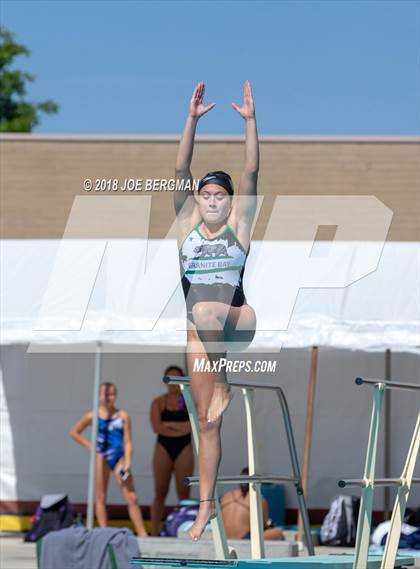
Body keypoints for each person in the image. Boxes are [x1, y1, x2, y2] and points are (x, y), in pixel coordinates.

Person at [174, 80, 258, 540]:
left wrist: (250, 122)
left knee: (206, 310)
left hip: (235, 320)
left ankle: (224, 382)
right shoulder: (186, 225)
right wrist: (191, 119)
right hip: (200, 337)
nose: (210, 199)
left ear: (228, 203)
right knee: (206, 421)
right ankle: (205, 506)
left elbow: (250, 171)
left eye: (219, 195)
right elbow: (181, 165)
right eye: (205, 193)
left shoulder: (239, 226)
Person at [69, 382, 148, 537]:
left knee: (131, 496)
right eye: (105, 394)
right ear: (99, 396)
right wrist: (91, 446)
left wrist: (128, 462)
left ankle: (143, 534)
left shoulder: (122, 416)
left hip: (118, 458)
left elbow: (128, 441)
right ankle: (104, 533)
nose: (107, 397)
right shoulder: (93, 415)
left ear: (116, 395)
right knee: (100, 496)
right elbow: (74, 432)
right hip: (102, 457)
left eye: (111, 394)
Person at [150, 365, 194, 536]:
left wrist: (168, 425)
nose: (173, 383)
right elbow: (156, 427)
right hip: (163, 447)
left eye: (177, 379)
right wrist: (179, 427)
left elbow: (192, 427)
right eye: (170, 379)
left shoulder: (189, 401)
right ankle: (153, 532)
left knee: (184, 493)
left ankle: (181, 531)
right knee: (160, 492)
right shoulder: (159, 402)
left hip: (184, 447)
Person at [220, 468, 284, 540]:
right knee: (278, 533)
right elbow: (264, 525)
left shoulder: (226, 496)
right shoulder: (258, 498)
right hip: (245, 539)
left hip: (225, 538)